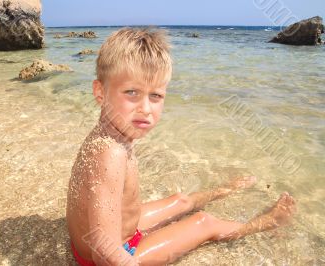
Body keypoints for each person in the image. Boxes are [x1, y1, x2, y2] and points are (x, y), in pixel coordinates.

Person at [66, 27, 296, 266]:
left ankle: (222, 191)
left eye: (155, 96)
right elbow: (104, 253)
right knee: (203, 222)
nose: (145, 108)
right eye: (132, 92)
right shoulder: (110, 154)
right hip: (116, 255)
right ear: (100, 92)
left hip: (116, 230)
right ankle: (265, 224)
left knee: (180, 201)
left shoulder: (110, 135)